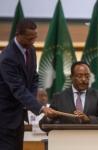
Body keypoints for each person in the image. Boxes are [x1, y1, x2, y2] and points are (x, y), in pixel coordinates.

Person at [0, 19, 56, 150]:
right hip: (4, 117)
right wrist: (40, 107)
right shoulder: (7, 58)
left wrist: (30, 99)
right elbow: (18, 89)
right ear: (18, 35)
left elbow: (34, 78)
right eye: (29, 38)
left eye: (35, 38)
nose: (33, 41)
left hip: (18, 116)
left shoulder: (31, 50)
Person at [40, 61, 98, 127]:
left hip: (91, 139)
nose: (84, 79)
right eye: (80, 76)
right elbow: (43, 126)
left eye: (87, 76)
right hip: (67, 139)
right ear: (71, 77)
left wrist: (89, 119)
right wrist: (49, 117)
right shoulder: (59, 98)